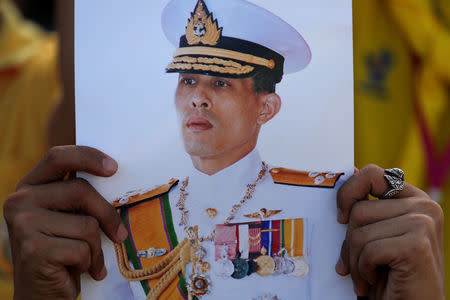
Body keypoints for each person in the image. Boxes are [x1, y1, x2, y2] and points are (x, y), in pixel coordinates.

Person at [3, 0, 445, 300]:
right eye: (188, 80)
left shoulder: (324, 206)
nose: (197, 98)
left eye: (220, 82)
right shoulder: (128, 216)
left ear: (267, 106)